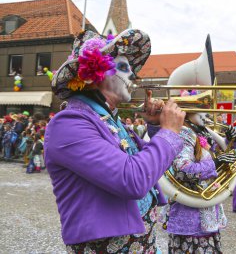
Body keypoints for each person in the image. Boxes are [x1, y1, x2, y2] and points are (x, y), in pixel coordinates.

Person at [45, 29, 186, 252]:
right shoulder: (69, 124)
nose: (133, 75)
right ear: (96, 74)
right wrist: (169, 132)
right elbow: (133, 179)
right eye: (122, 67)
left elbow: (150, 167)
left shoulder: (108, 119)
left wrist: (157, 127)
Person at [161, 111, 236, 253]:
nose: (207, 113)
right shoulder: (184, 133)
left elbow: (214, 156)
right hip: (190, 213)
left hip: (206, 207)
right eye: (202, 109)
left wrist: (231, 142)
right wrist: (216, 163)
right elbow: (182, 169)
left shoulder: (202, 131)